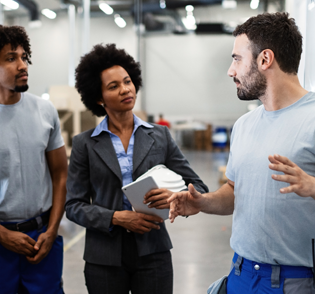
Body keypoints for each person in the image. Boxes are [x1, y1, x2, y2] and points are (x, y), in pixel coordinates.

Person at [168, 12, 315, 294]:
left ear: (265, 59)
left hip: (298, 282)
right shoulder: (244, 125)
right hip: (241, 274)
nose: (231, 71)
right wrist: (202, 202)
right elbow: (235, 191)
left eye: (237, 59)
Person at [65, 43, 208, 294]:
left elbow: (199, 188)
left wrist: (175, 197)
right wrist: (117, 218)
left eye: (127, 81)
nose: (125, 89)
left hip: (153, 251)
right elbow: (74, 206)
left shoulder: (160, 136)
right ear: (99, 98)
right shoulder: (84, 144)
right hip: (104, 257)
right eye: (113, 86)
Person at [0, 23, 67, 294]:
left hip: (42, 238)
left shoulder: (45, 111)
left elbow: (60, 175)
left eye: (23, 57)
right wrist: (1, 234)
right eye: (11, 58)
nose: (22, 65)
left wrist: (53, 230)